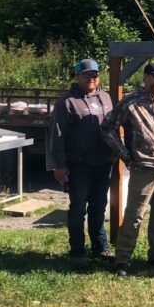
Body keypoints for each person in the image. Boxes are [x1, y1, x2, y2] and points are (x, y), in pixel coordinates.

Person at [100, 61, 154, 275]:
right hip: (142, 168)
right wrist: (126, 157)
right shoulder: (130, 103)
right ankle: (122, 259)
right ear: (145, 78)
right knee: (134, 216)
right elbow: (107, 129)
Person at [51, 58, 115, 267]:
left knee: (99, 207)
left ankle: (100, 248)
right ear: (78, 76)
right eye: (87, 75)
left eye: (95, 75)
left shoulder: (106, 98)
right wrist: (59, 166)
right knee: (78, 209)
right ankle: (77, 252)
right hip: (78, 165)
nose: (92, 78)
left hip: (103, 164)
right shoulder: (67, 101)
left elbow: (114, 127)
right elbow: (58, 135)